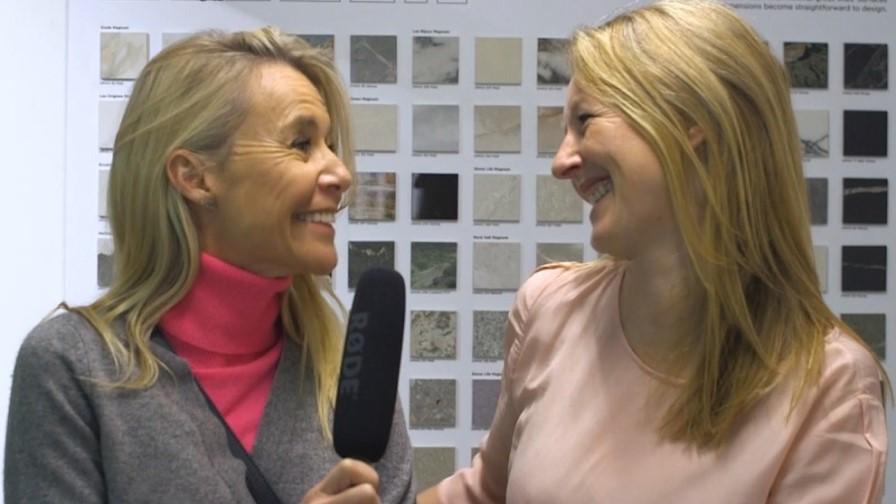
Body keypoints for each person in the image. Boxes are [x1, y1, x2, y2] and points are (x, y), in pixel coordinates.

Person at [419, 1, 889, 502]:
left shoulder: (830, 388)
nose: (561, 162)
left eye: (585, 120)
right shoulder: (550, 308)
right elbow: (484, 493)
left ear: (689, 119)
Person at [5, 27, 413, 503]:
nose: (341, 174)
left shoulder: (349, 375)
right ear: (194, 177)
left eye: (331, 145)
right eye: (301, 143)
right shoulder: (73, 367)